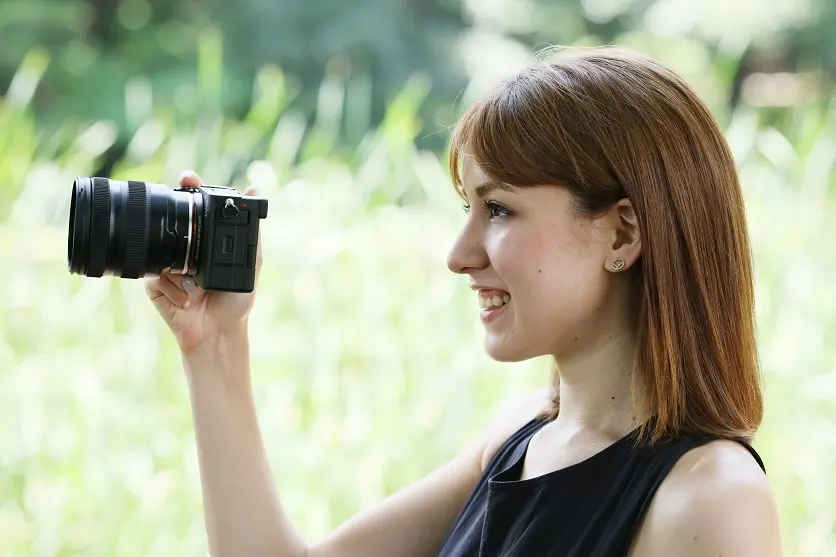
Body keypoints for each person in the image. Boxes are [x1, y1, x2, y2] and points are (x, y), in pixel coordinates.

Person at [146, 46, 783, 556]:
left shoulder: (712, 500)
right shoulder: (521, 437)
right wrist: (215, 346)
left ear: (622, 232)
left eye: (500, 209)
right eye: (468, 208)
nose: (459, 254)